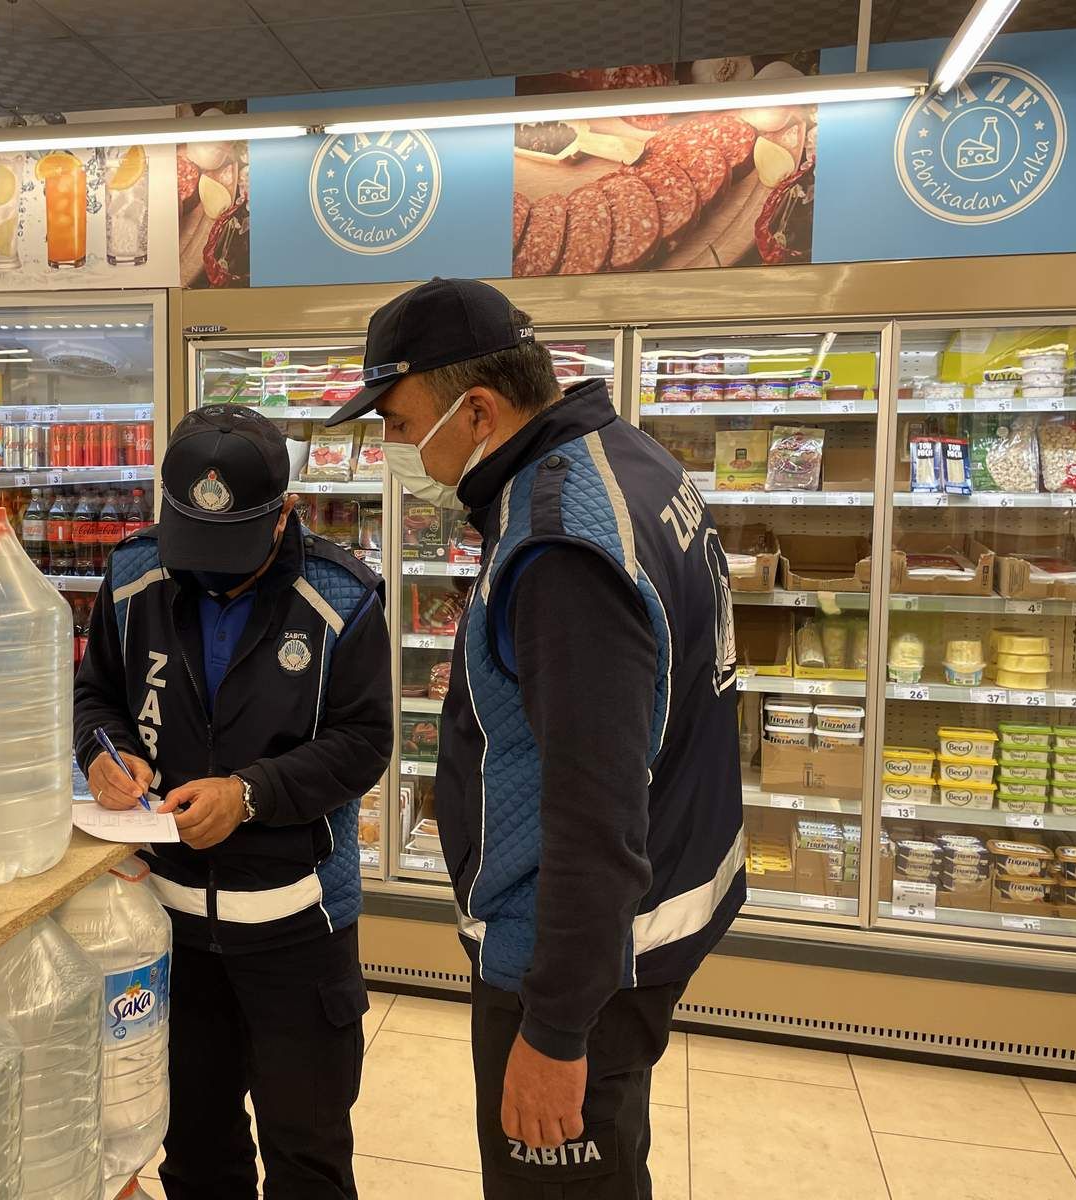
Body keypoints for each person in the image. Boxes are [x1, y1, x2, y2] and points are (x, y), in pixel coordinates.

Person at [328, 278, 745, 1198]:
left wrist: (556, 1030)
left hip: (577, 960)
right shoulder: (623, 456)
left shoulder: (559, 548)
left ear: (477, 409)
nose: (391, 447)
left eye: (397, 423)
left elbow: (595, 814)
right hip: (634, 924)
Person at [74, 404, 392, 1200]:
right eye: (194, 544)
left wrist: (250, 795)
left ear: (285, 513)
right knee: (194, 1152)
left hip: (299, 929)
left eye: (232, 548)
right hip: (164, 926)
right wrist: (104, 754)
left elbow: (363, 742)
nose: (210, 571)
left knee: (307, 1156)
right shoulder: (134, 576)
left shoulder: (343, 597)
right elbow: (96, 696)